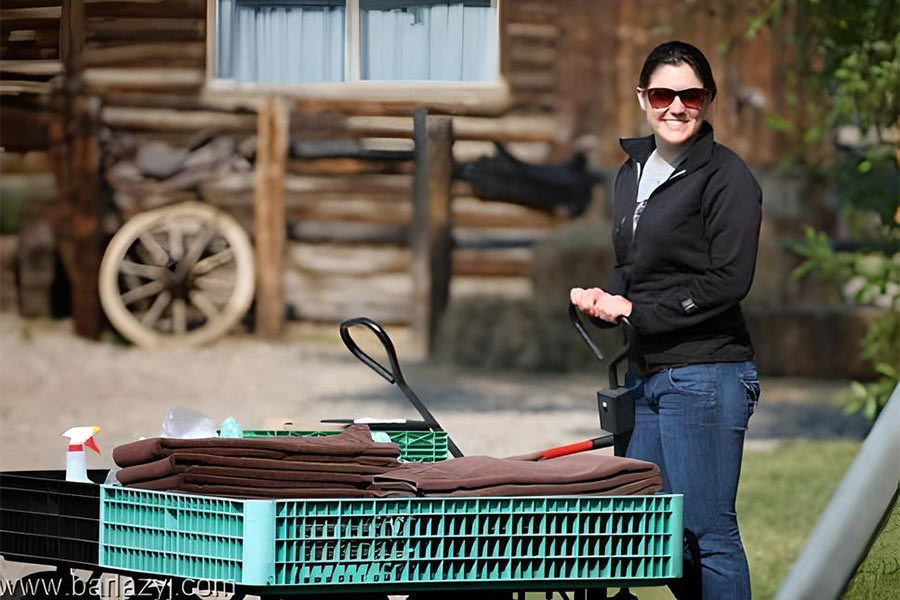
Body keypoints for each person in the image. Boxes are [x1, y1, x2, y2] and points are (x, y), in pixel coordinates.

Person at [570, 41, 762, 600]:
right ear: (642, 98)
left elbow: (729, 282)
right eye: (662, 94)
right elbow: (633, 272)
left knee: (707, 532)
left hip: (706, 373)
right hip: (645, 375)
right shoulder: (631, 174)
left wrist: (639, 312)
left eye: (690, 95)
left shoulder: (728, 178)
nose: (676, 106)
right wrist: (606, 305)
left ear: (708, 100)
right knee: (649, 533)